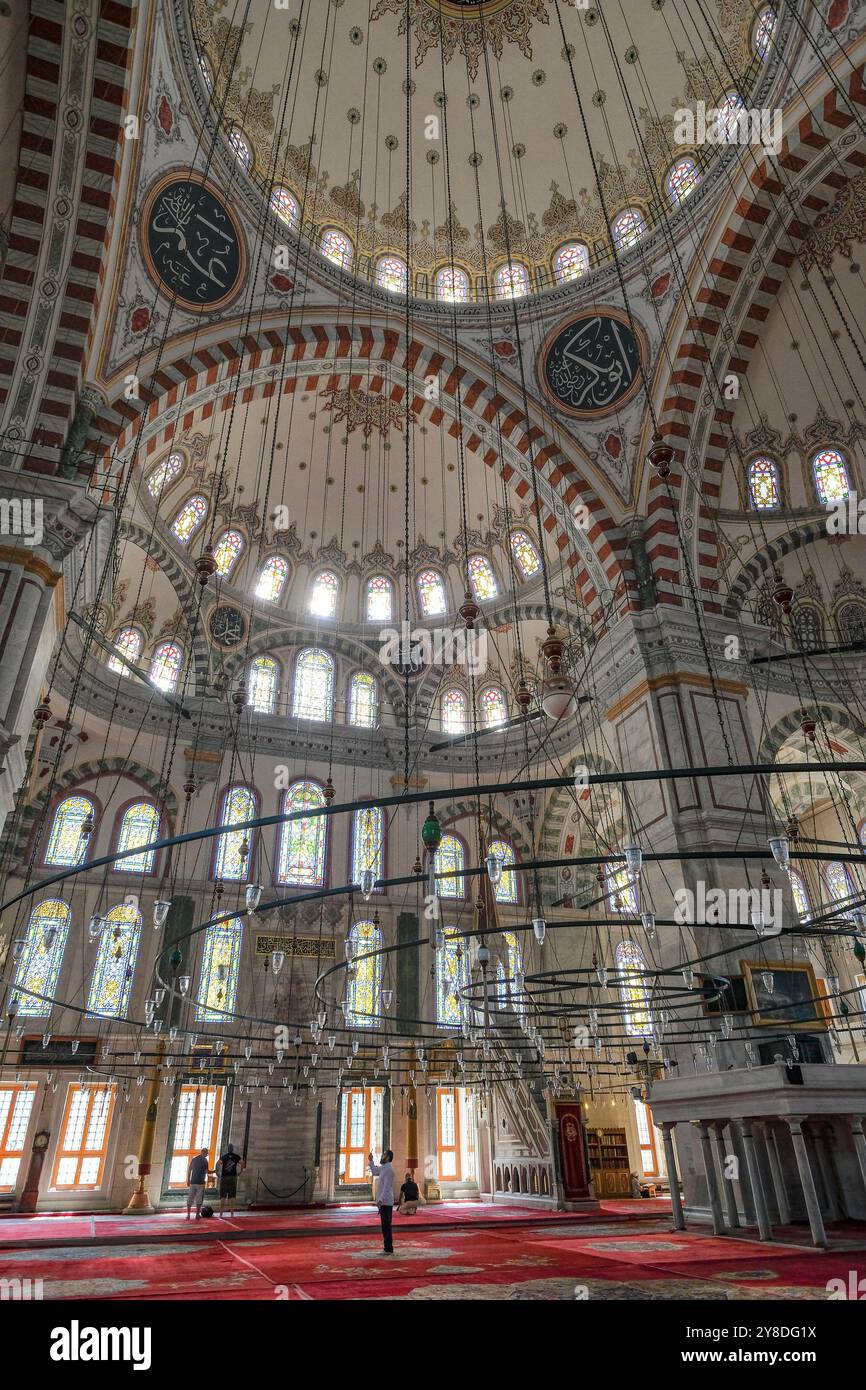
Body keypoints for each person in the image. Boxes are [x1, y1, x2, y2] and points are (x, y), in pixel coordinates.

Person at [368, 1148, 396, 1253]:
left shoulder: (389, 1170)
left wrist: (380, 1200)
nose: (381, 1156)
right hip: (383, 1201)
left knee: (386, 1225)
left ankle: (388, 1248)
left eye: (383, 1155)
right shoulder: (384, 1168)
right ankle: (387, 1247)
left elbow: (387, 1188)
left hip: (386, 1201)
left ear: (388, 1157)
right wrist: (371, 1161)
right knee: (384, 1225)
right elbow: (375, 1171)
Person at [216, 1142, 245, 1217]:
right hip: (233, 1177)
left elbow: (218, 1164)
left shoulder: (224, 1156)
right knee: (232, 1196)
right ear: (233, 1149)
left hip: (224, 1177)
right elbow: (242, 1162)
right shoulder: (236, 1156)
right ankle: (232, 1213)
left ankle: (221, 1214)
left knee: (223, 1196)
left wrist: (217, 1173)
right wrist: (240, 1171)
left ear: (227, 1149)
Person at [186, 1147, 210, 1220]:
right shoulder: (205, 1160)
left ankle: (188, 1215)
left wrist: (188, 1180)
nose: (207, 1154)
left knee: (190, 1198)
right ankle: (197, 1214)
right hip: (200, 1183)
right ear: (204, 1152)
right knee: (199, 1199)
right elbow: (206, 1171)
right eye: (207, 1153)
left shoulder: (194, 1159)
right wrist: (214, 1171)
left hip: (193, 1182)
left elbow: (189, 1170)